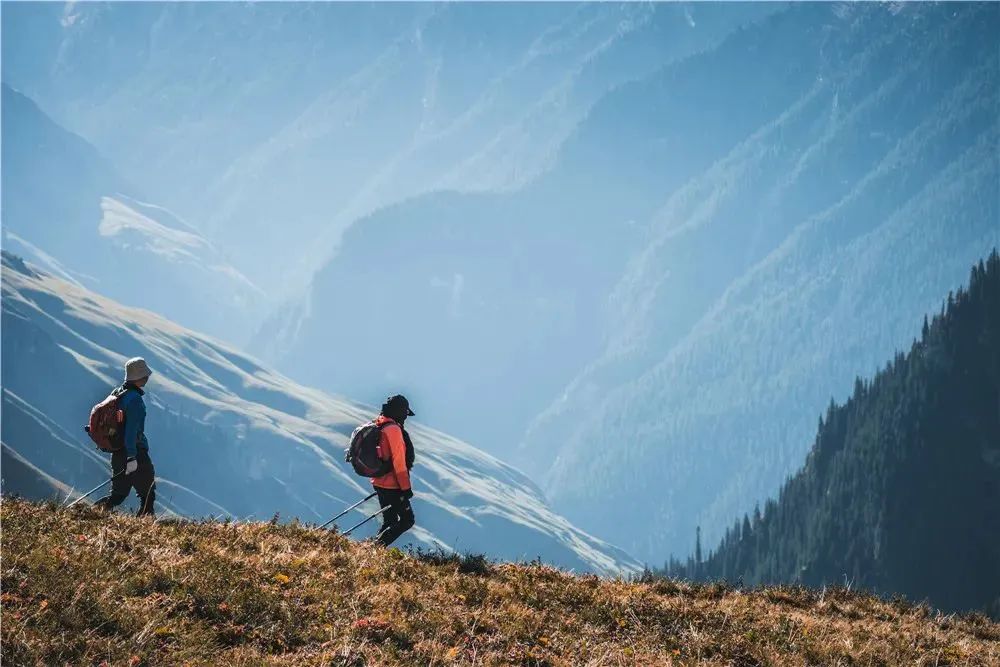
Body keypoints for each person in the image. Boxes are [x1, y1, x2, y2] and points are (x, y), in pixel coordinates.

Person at [94, 357, 156, 517]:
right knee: (148, 493)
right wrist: (131, 456)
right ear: (140, 376)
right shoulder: (135, 400)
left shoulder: (118, 393)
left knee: (118, 494)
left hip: (117, 450)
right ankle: (146, 526)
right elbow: (131, 430)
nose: (148, 377)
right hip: (135, 452)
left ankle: (91, 513)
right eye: (145, 375)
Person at [371, 394, 416, 546]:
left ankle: (372, 550)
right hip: (392, 484)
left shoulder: (380, 423)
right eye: (405, 413)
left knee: (389, 520)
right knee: (407, 520)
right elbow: (399, 461)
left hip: (378, 481)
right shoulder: (394, 430)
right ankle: (375, 548)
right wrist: (406, 488)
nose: (405, 417)